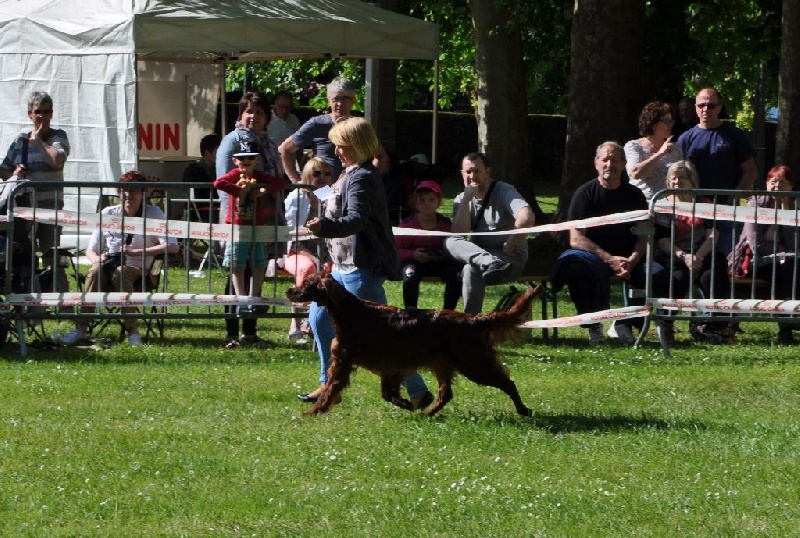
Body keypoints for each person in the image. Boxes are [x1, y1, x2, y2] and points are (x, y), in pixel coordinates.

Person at [299, 117, 433, 410]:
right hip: (343, 266)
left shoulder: (362, 177)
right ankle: (326, 382)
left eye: (341, 145)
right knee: (319, 319)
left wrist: (324, 227)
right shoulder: (350, 173)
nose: (336, 151)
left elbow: (357, 220)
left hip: (362, 269)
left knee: (385, 339)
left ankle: (419, 391)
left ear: (357, 145)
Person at [551, 141, 669, 344]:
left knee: (656, 274)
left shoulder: (635, 195)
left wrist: (632, 259)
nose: (609, 164)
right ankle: (593, 325)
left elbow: (644, 235)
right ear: (596, 163)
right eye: (605, 159)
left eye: (615, 160)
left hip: (630, 258)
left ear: (623, 164)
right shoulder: (584, 194)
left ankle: (626, 323)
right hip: (594, 258)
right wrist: (609, 259)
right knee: (576, 270)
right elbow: (576, 238)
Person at [60, 171, 179, 347]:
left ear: (143, 193)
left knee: (121, 272)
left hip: (140, 271)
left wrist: (137, 251)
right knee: (94, 271)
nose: (129, 195)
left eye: (134, 191)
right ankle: (81, 328)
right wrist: (97, 259)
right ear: (119, 192)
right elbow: (91, 249)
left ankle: (133, 333)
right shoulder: (108, 212)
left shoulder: (154, 213)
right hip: (108, 267)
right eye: (125, 190)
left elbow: (172, 246)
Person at [215, 92, 285, 347]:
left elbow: (277, 179)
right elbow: (223, 182)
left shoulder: (267, 142)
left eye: (260, 112)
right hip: (237, 219)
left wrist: (265, 192)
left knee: (255, 269)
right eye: (249, 111)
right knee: (237, 272)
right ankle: (233, 332)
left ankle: (250, 332)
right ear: (241, 115)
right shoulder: (231, 141)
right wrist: (230, 218)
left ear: (267, 117)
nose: (254, 116)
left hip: (262, 219)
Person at [444, 152, 535, 315]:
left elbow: (527, 217)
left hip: (509, 259)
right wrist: (466, 200)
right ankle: (472, 323)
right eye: (468, 172)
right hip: (483, 262)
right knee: (451, 242)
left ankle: (491, 263)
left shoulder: (504, 190)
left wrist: (513, 241)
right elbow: (460, 233)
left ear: (487, 171)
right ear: (462, 174)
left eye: (477, 171)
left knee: (470, 266)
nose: (472, 176)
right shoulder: (461, 199)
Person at [0, 91, 70, 293]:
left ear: (52, 114)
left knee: (52, 254)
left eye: (46, 112)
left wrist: (39, 140)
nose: (42, 116)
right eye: (38, 111)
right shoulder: (20, 140)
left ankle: (62, 303)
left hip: (50, 206)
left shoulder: (58, 136)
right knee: (26, 254)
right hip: (24, 208)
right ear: (29, 113)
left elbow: (57, 162)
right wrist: (14, 172)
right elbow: (5, 170)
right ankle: (33, 300)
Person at [655, 160, 730, 344]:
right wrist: (684, 256)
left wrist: (698, 257)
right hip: (676, 254)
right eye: (673, 178)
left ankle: (715, 325)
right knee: (677, 280)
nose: (677, 182)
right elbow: (663, 241)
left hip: (702, 252)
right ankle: (666, 324)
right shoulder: (662, 205)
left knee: (710, 276)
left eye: (682, 178)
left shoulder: (704, 203)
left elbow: (713, 235)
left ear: (692, 181)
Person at [677, 87, 757, 255]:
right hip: (695, 211)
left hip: (727, 210)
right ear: (696, 108)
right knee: (698, 260)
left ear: (719, 108)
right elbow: (677, 173)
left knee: (727, 258)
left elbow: (750, 171)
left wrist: (734, 196)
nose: (706, 109)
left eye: (711, 105)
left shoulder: (736, 136)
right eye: (701, 105)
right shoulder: (685, 138)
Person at [728, 165, 799, 344]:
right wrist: (784, 252)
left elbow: (795, 244)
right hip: (752, 262)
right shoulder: (756, 204)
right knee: (785, 269)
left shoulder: (795, 205)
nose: (777, 187)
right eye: (773, 182)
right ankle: (787, 326)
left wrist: (785, 212)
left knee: (789, 268)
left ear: (791, 186)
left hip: (787, 261)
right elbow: (756, 245)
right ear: (766, 184)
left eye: (783, 183)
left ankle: (787, 325)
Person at [278, 76, 388, 184]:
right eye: (336, 99)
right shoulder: (317, 124)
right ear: (329, 101)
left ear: (353, 100)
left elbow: (380, 156)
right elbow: (285, 149)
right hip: (323, 193)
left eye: (345, 98)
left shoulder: (358, 127)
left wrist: (370, 180)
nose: (340, 104)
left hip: (352, 190)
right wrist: (297, 182)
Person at [283, 156, 334, 343]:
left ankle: (324, 322)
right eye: (316, 173)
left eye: (327, 173)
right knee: (307, 269)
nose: (322, 177)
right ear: (307, 175)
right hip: (296, 251)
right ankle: (295, 324)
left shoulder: (330, 196)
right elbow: (291, 235)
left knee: (335, 272)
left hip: (327, 251)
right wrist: (314, 258)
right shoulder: (297, 197)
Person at [395, 180, 461, 310]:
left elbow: (456, 245)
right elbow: (396, 250)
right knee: (410, 273)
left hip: (441, 262)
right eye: (422, 200)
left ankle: (448, 313)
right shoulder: (407, 225)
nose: (427, 204)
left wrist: (445, 255)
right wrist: (412, 254)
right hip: (415, 262)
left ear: (438, 202)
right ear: (415, 203)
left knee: (456, 276)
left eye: (431, 200)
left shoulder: (446, 224)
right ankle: (411, 310)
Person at [624, 101, 683, 201]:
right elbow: (635, 174)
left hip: (670, 207)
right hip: (643, 205)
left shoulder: (676, 148)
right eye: (666, 121)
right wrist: (660, 153)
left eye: (671, 121)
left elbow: (683, 176)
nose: (670, 125)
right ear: (652, 123)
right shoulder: (634, 146)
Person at [183, 133, 221, 202]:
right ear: (207, 153)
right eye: (218, 151)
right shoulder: (193, 171)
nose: (222, 154)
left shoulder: (219, 169)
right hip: (200, 210)